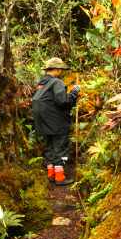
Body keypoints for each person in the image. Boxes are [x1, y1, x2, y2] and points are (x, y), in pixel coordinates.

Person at [32, 57, 80, 185]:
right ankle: (60, 177)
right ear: (58, 70)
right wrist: (74, 93)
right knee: (60, 147)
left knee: (49, 147)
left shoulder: (41, 84)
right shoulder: (56, 82)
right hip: (56, 122)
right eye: (61, 70)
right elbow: (63, 101)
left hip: (42, 122)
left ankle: (51, 174)